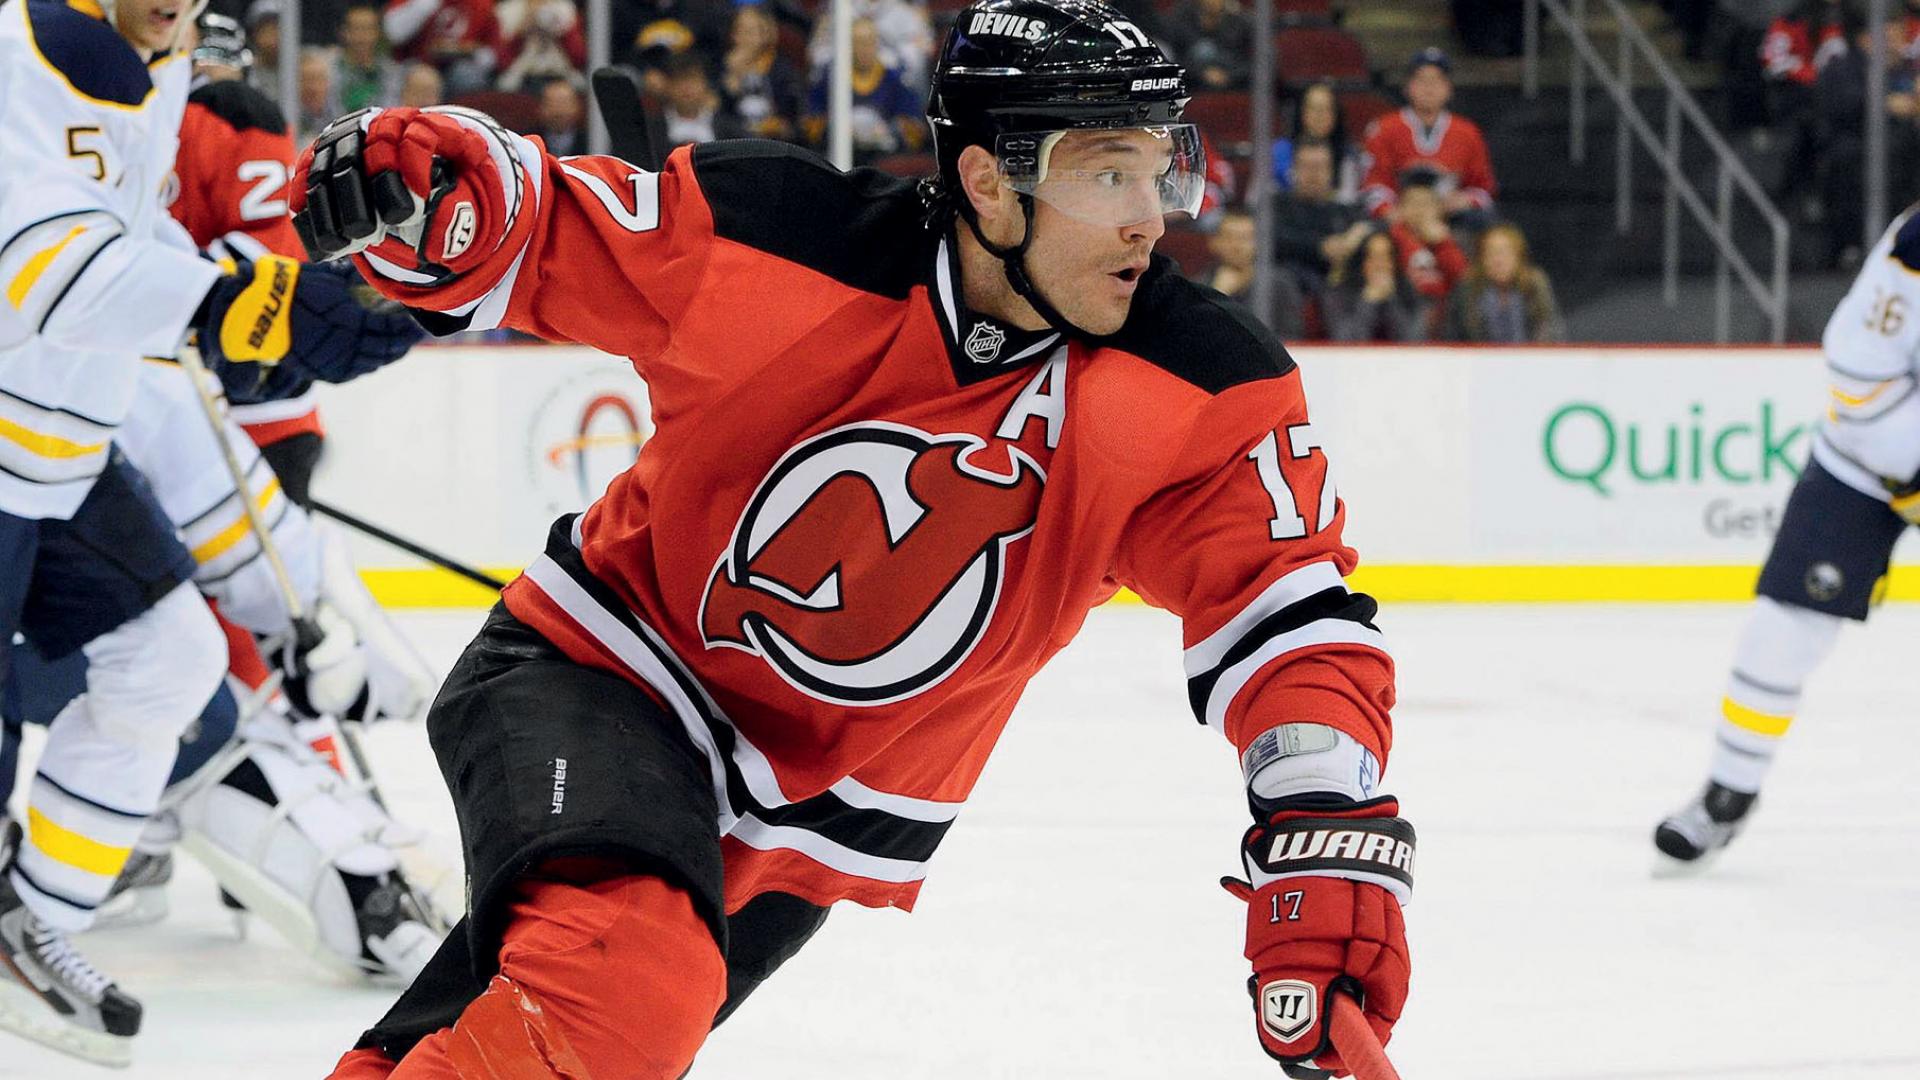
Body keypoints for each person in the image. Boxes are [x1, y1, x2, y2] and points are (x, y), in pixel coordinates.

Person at [290, 1, 1413, 1076]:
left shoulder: (1195, 383)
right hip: (609, 679)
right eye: (1107, 172)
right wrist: (419, 182)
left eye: (1160, 169)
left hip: (814, 819)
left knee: (546, 1033)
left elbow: (1286, 617)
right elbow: (535, 227)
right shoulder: (787, 240)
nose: (1149, 218)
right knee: (620, 993)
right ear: (990, 181)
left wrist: (1322, 819)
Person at [0, 0, 411, 1063]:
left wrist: (295, 301)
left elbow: (134, 258)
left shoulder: (157, 61)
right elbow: (42, 269)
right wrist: (246, 307)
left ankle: (27, 924)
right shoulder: (31, 50)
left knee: (177, 656)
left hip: (63, 446)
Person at [1654, 203, 1920, 867]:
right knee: (1781, 631)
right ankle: (1728, 792)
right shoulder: (1915, 246)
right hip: (1863, 462)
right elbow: (1861, 382)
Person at [1359, 47, 1498, 222]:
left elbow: (1484, 188)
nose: (1429, 88)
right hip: (1397, 220)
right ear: (1408, 86)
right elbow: (1373, 185)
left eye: (1437, 80)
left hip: (1453, 220)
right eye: (1421, 80)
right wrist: (1391, 212)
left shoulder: (1467, 132)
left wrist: (1464, 200)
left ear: (1449, 88)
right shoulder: (1383, 129)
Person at [802, 16, 926, 164]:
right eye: (858, 42)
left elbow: (914, 133)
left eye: (869, 42)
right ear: (847, 45)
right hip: (837, 158)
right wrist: (835, 128)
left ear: (877, 44)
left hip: (885, 160)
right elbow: (811, 128)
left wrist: (889, 131)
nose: (864, 49)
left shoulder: (896, 80)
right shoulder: (828, 79)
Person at [1273, 140, 1369, 301]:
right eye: (1307, 166)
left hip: (1340, 293)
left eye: (1320, 167)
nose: (1313, 174)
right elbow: (1273, 237)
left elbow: (1376, 226)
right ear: (1294, 169)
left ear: (1331, 171)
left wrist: (1355, 236)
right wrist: (1320, 246)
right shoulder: (1277, 205)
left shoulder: (1343, 210)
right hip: (1290, 288)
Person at [1444, 223, 1563, 343]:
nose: (1498, 261)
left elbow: (1550, 328)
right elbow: (1453, 336)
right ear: (1481, 259)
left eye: (1505, 253)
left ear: (1519, 256)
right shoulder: (1468, 288)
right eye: (1491, 253)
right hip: (1480, 354)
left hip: (1529, 353)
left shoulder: (1534, 284)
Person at [1204, 209, 1307, 338]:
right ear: (1214, 242)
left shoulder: (1281, 284)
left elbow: (1293, 335)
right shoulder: (1200, 284)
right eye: (1229, 238)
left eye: (1245, 238)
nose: (1237, 246)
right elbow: (1194, 334)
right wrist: (1218, 292)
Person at [1387, 169, 1469, 329]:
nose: (1419, 210)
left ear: (1439, 208)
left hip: (1447, 317)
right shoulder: (1390, 239)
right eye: (1412, 203)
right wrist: (1405, 236)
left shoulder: (1456, 239)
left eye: (1426, 204)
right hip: (1403, 313)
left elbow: (1463, 280)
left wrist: (1443, 244)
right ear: (1400, 209)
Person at [1323, 228, 1430, 342]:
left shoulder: (1408, 291)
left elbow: (1415, 341)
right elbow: (1344, 341)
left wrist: (1392, 300)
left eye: (1386, 257)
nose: (1380, 265)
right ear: (1361, 262)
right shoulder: (1339, 294)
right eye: (1373, 257)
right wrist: (1368, 302)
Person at [720, 3, 804, 142]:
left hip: (773, 140)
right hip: (734, 140)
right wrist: (733, 75)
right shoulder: (721, 65)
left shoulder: (781, 68)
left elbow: (793, 112)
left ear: (765, 34)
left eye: (751, 32)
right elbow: (715, 113)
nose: (746, 38)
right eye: (740, 31)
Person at [382, 0, 501, 95]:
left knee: (467, 75)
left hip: (458, 70)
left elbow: (494, 56)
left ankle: (459, 117)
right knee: (420, 78)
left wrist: (472, 52)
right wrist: (426, 4)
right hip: (414, 64)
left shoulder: (482, 4)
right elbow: (394, 35)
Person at [1273, 80, 1362, 204]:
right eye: (1313, 108)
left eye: (1326, 109)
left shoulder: (1348, 155)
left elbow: (1349, 199)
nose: (1319, 116)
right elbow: (1259, 198)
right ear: (1302, 112)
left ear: (1336, 114)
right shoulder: (1278, 152)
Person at [649, 53, 747, 150]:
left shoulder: (729, 127)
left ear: (705, 84)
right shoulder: (651, 129)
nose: (686, 88)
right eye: (679, 81)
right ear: (668, 86)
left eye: (693, 80)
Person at [494, 0, 587, 94]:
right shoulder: (507, 10)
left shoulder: (566, 8)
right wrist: (522, 30)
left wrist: (562, 31)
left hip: (560, 75)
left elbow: (579, 58)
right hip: (521, 78)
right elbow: (502, 61)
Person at [1160, 0, 1251, 90]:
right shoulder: (1180, 22)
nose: (1213, 2)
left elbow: (1249, 62)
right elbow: (1174, 58)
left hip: (1233, 84)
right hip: (1191, 84)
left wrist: (1229, 74)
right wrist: (1201, 73)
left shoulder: (1240, 24)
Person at [334, 2, 404, 114]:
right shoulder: (329, 70)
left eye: (367, 29)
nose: (362, 35)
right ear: (344, 32)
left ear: (378, 33)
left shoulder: (392, 72)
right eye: (356, 28)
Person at [534, 77, 589, 155]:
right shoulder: (529, 142)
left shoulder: (592, 141)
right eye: (552, 104)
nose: (558, 112)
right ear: (540, 108)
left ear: (577, 107)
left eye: (564, 104)